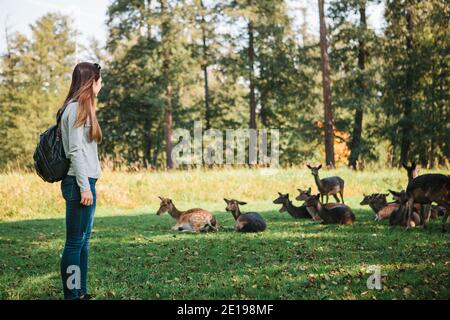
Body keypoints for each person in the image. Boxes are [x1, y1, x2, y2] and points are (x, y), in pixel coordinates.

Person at [58, 62, 102, 300]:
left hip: (86, 182)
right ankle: (71, 295)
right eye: (99, 80)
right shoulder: (75, 109)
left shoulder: (83, 109)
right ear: (91, 82)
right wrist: (85, 187)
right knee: (75, 243)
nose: (101, 85)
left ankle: (80, 292)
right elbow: (74, 151)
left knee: (83, 242)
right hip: (78, 183)